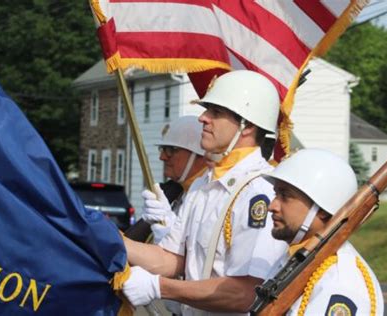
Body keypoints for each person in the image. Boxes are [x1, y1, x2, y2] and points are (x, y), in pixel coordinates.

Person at [122, 70, 287, 315]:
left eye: (216, 113)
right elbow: (170, 259)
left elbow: (246, 293)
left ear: (248, 126)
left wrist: (159, 287)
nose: (203, 118)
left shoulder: (258, 193)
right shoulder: (203, 184)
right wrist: (111, 241)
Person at [261, 148, 384, 315]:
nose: (272, 206)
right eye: (276, 194)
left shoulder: (341, 283)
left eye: (285, 196)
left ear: (322, 210)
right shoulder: (293, 258)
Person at [144, 116, 207, 244]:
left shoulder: (208, 198)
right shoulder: (178, 192)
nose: (162, 157)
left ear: (198, 154)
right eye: (162, 149)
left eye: (170, 150)